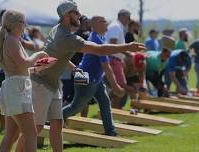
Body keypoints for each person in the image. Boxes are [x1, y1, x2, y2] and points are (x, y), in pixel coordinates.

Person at [31, 1, 145, 151]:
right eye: (76, 13)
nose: (80, 16)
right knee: (37, 127)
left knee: (58, 123)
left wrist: (73, 67)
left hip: (54, 83)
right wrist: (127, 47)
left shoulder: (58, 30)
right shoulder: (68, 38)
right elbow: (100, 50)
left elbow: (54, 54)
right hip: (42, 83)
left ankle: (108, 131)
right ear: (66, 16)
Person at [63, 16, 125, 136]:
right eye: (104, 22)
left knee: (105, 103)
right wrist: (115, 86)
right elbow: (106, 66)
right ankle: (51, 120)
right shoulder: (96, 40)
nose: (106, 23)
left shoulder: (100, 37)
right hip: (86, 79)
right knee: (76, 107)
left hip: (96, 79)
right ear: (96, 24)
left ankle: (111, 132)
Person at [0, 10, 49, 152]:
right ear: (15, 24)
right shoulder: (12, 40)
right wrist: (38, 54)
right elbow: (24, 63)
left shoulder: (11, 39)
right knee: (31, 134)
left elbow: (21, 69)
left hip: (13, 89)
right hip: (16, 91)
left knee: (11, 136)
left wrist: (38, 67)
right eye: (23, 22)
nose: (25, 25)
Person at [104, 9, 134, 109]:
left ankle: (112, 111)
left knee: (118, 88)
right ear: (123, 16)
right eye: (128, 18)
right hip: (113, 59)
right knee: (120, 87)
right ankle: (111, 110)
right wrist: (127, 53)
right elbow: (113, 44)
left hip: (115, 59)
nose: (129, 21)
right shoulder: (116, 26)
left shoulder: (117, 26)